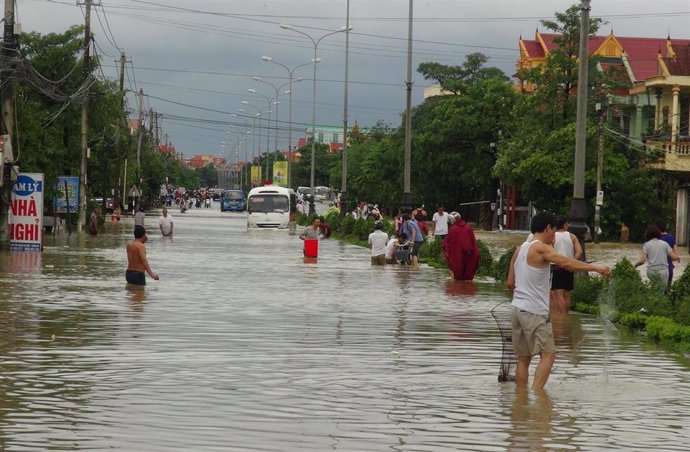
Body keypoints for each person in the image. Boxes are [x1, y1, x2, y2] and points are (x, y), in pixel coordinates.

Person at [506, 211, 611, 389]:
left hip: (517, 309)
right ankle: (538, 398)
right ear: (548, 229)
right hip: (534, 312)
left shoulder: (519, 249)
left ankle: (521, 400)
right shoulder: (541, 248)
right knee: (548, 355)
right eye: (554, 232)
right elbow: (567, 263)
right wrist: (594, 267)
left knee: (523, 359)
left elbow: (510, 283)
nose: (554, 238)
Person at [551, 216, 583, 313]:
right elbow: (579, 252)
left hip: (556, 267)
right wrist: (572, 262)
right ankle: (566, 314)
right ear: (564, 225)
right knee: (567, 294)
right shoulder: (572, 236)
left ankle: (561, 317)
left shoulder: (552, 236)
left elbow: (550, 251)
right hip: (569, 268)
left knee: (558, 294)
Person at [442, 211, 480, 281]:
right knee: (468, 281)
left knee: (455, 279)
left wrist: (446, 254)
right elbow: (473, 243)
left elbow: (447, 244)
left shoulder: (453, 229)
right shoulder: (468, 227)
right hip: (470, 257)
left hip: (458, 258)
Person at [655, 220, 677, 286]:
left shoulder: (655, 239)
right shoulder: (671, 237)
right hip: (669, 267)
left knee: (657, 291)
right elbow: (675, 255)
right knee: (667, 290)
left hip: (657, 268)